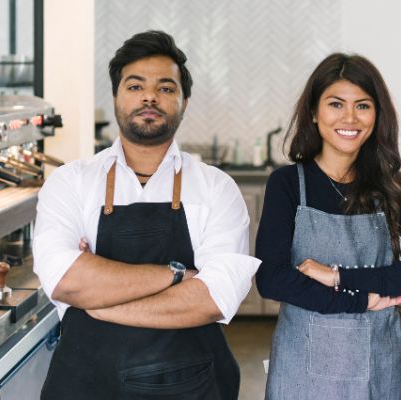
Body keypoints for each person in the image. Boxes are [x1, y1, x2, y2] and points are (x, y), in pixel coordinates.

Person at [33, 31, 260, 399]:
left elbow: (214, 298)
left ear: (185, 102)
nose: (150, 97)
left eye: (166, 88)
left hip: (189, 383)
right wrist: (178, 276)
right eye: (135, 86)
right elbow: (67, 281)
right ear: (116, 97)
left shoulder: (216, 187)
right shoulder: (71, 182)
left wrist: (103, 304)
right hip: (88, 383)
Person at [255, 53, 401, 399]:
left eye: (362, 105)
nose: (349, 117)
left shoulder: (394, 187)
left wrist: (340, 278)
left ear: (376, 115)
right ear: (313, 113)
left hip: (380, 364)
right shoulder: (287, 184)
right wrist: (361, 301)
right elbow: (271, 278)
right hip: (303, 366)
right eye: (336, 104)